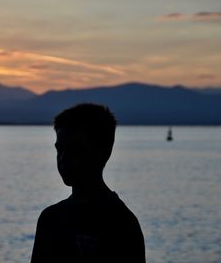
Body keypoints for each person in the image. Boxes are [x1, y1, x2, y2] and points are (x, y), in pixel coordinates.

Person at [31, 103, 145, 263]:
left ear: (103, 152)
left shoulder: (122, 224)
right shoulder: (50, 219)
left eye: (75, 149)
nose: (63, 158)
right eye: (60, 149)